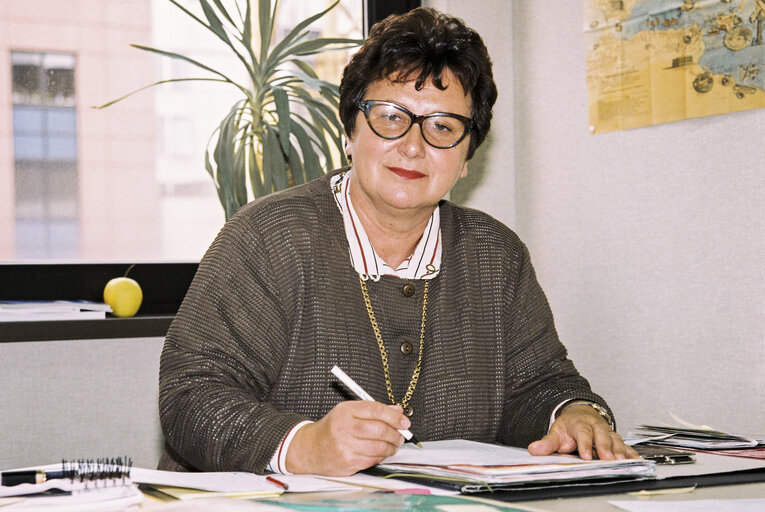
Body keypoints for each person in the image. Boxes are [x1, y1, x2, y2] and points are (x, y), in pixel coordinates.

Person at [158, 7, 638, 477]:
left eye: (443, 128)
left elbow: (540, 384)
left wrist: (572, 414)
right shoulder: (269, 238)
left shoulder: (496, 256)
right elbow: (191, 394)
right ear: (350, 129)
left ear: (467, 157)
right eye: (391, 117)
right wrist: (301, 445)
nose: (413, 146)